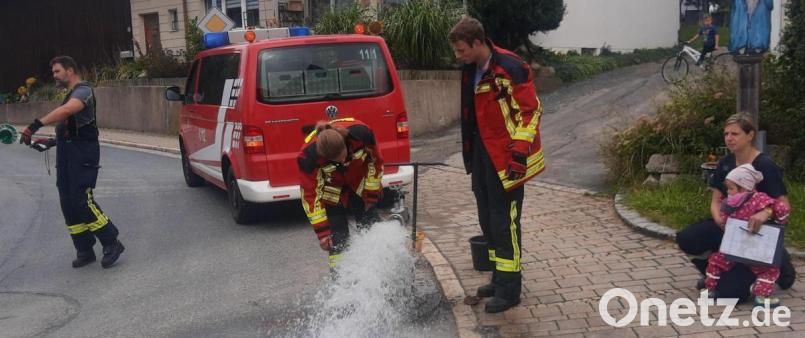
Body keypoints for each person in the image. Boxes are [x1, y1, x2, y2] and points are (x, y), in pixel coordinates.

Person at [448, 17, 545, 313]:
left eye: (461, 50)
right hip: (482, 154)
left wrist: (518, 155)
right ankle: (498, 275)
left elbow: (530, 112)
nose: (458, 56)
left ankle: (510, 289)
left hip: (508, 158)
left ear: (478, 43)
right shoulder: (471, 69)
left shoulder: (511, 67)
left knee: (505, 223)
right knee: (487, 219)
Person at [676, 113, 796, 302]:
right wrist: (719, 220)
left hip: (756, 233)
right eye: (726, 134)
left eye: (735, 134)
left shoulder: (765, 165)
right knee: (687, 237)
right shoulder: (725, 163)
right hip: (729, 225)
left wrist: (765, 213)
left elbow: (784, 205)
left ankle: (778, 261)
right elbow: (716, 200)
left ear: (750, 136)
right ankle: (714, 273)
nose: (729, 138)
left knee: (731, 295)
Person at [19, 55, 125, 268]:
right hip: (67, 154)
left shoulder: (83, 92)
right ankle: (84, 249)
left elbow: (67, 111)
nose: (54, 76)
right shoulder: (69, 95)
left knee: (81, 199)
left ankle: (111, 242)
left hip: (83, 155)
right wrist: (50, 142)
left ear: (70, 70)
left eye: (57, 71)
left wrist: (35, 124)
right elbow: (70, 128)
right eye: (53, 72)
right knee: (67, 202)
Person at [297, 118, 383, 270]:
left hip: (359, 185)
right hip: (331, 193)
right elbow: (310, 195)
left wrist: (372, 195)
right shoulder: (308, 157)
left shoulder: (361, 134)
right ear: (324, 155)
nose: (343, 161)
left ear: (345, 143)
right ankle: (340, 280)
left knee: (372, 228)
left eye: (344, 155)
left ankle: (379, 268)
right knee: (338, 240)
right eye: (337, 160)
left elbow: (375, 162)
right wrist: (322, 232)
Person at [703, 164, 790, 307]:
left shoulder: (758, 199)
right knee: (767, 270)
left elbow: (782, 209)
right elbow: (782, 211)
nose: (728, 193)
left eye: (731, 189)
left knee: (717, 261)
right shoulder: (731, 203)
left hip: (748, 248)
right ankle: (759, 294)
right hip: (745, 248)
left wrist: (767, 212)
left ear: (744, 187)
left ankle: (711, 288)